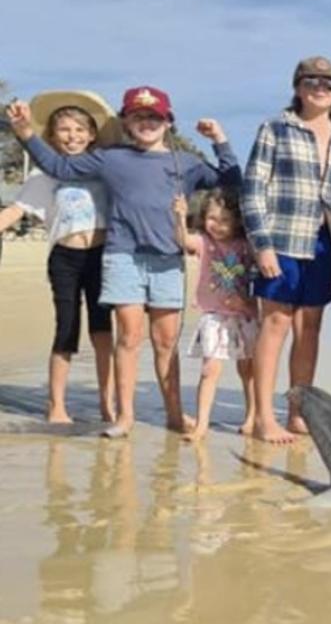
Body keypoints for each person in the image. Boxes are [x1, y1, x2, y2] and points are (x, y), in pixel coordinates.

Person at [7, 87, 239, 438]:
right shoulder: (111, 158)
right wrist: (25, 131)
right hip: (122, 257)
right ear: (126, 122)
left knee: (165, 342)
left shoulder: (185, 163)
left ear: (168, 121)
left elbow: (231, 182)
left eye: (154, 116)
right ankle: (124, 416)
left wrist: (219, 139)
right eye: (138, 116)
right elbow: (58, 166)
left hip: (166, 260)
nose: (146, 123)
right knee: (128, 337)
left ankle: (174, 414)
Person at [242, 56, 331, 445]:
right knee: (275, 325)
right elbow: (252, 190)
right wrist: (263, 247)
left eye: (329, 83)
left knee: (310, 330)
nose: (320, 89)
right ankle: (263, 416)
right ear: (298, 86)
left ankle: (298, 412)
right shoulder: (275, 128)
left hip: (325, 243)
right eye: (312, 82)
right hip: (281, 238)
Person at [0, 91, 117, 424]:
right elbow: (14, 211)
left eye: (80, 130)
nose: (73, 137)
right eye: (64, 130)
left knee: (102, 331)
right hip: (65, 259)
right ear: (51, 136)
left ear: (92, 134)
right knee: (66, 328)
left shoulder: (104, 170)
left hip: (101, 256)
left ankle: (108, 403)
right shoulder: (44, 175)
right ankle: (57, 406)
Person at [172, 189, 258, 441]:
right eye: (212, 218)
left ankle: (252, 416)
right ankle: (201, 425)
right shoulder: (204, 242)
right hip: (214, 314)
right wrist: (180, 217)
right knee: (210, 369)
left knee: (248, 368)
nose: (217, 226)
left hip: (245, 314)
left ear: (237, 221)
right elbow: (184, 241)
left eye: (224, 220)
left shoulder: (246, 245)